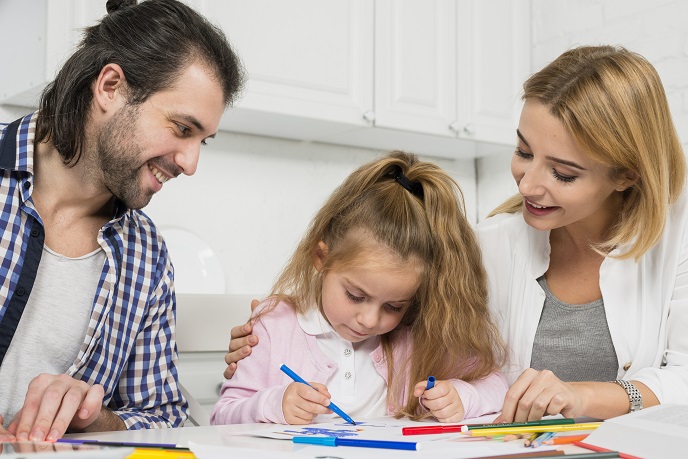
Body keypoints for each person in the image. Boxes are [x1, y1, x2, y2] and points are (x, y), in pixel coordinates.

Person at [225, 45, 688, 422]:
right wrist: (271, 337)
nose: (527, 184)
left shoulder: (677, 243)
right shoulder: (483, 248)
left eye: (563, 173)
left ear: (626, 175)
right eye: (523, 152)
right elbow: (397, 323)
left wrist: (584, 397)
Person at [0, 0, 243, 442]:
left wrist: (95, 418)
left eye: (202, 142)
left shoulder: (147, 256)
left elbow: (163, 415)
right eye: (182, 129)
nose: (190, 164)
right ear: (110, 87)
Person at [211, 151, 508, 425]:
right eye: (355, 296)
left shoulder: (413, 336)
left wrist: (461, 396)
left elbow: (496, 384)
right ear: (321, 258)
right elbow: (222, 417)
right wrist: (274, 405)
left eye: (393, 306)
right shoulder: (276, 324)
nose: (369, 320)